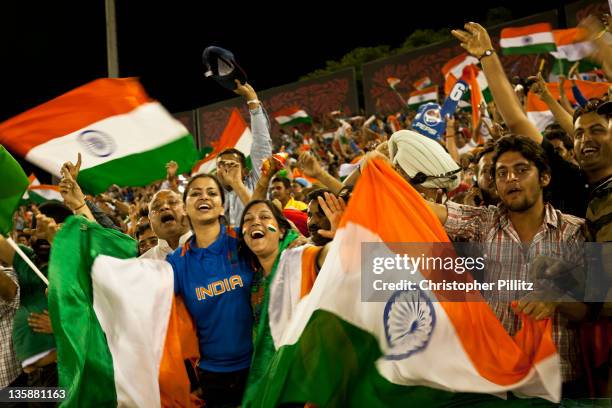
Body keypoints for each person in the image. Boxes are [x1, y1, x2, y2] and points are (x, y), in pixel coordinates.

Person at [401, 135, 589, 395]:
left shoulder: (575, 232)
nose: (511, 178)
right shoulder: (483, 223)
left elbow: (588, 312)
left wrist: (556, 298)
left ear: (544, 178)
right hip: (496, 377)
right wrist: (380, 170)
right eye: (502, 173)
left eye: (521, 170)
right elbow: (422, 209)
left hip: (559, 381)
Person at [450, 21, 592, 218]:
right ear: (544, 177)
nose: (586, 140)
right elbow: (516, 121)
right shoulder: (571, 182)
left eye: (598, 130)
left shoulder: (569, 228)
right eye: (500, 172)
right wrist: (487, 56)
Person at [238, 195, 344, 405]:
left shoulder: (298, 257)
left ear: (282, 231)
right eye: (247, 220)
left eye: (265, 217)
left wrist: (342, 241)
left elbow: (324, 255)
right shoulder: (254, 278)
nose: (255, 222)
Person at [166, 174, 254, 407]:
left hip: (261, 366)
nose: (203, 196)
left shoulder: (243, 241)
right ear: (185, 208)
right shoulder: (176, 262)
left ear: (222, 207)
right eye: (195, 193)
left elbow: (286, 245)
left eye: (212, 193)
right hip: (213, 378)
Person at [214, 81, 273, 226]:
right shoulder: (210, 196)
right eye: (221, 165)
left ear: (245, 171)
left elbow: (262, 144)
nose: (226, 168)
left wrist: (252, 99)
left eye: (232, 164)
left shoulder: (257, 183)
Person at [140, 189, 191, 260]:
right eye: (156, 206)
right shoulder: (142, 266)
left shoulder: (210, 247)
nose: (164, 207)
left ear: (186, 209)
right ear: (150, 221)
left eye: (172, 202)